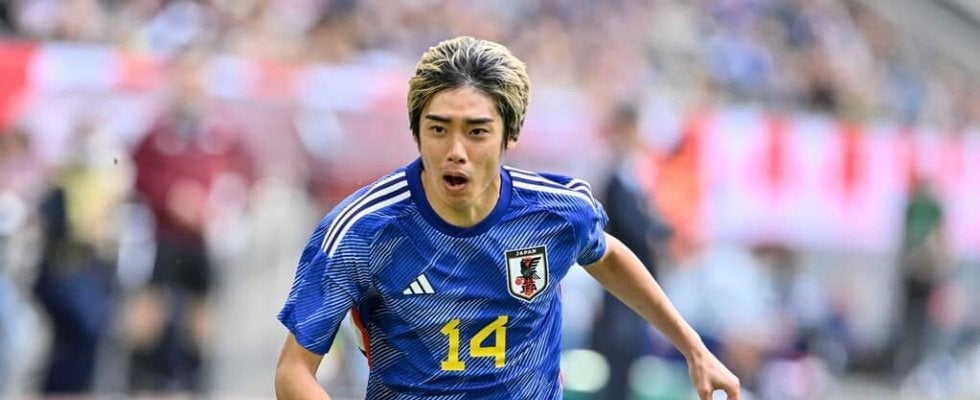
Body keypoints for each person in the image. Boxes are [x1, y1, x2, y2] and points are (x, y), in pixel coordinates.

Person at [275, 36, 739, 400]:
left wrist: (693, 348)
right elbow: (294, 370)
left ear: (509, 135)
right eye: (438, 129)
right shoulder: (361, 231)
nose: (456, 151)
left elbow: (606, 253)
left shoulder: (554, 213)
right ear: (416, 130)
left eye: (477, 131)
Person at [589, 102, 674, 400]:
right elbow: (629, 229)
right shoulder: (616, 178)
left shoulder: (636, 176)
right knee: (618, 365)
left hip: (634, 288)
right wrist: (652, 233)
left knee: (628, 368)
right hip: (619, 287)